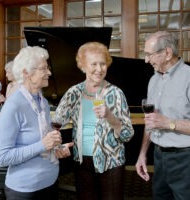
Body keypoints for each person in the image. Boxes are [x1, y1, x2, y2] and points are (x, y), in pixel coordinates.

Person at [135, 31, 190, 200]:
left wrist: (169, 123)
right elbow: (152, 121)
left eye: (149, 54)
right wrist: (143, 154)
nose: (146, 60)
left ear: (167, 53)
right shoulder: (153, 80)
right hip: (160, 159)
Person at [54, 42, 134, 200]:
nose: (99, 69)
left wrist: (110, 116)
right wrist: (57, 144)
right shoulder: (74, 93)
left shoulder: (116, 94)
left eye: (103, 64)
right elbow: (56, 122)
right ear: (83, 66)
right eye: (94, 64)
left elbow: (127, 135)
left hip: (111, 162)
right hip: (82, 161)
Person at [0, 46, 73, 200]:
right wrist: (42, 145)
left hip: (50, 183)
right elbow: (2, 158)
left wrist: (57, 148)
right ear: (26, 73)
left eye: (48, 68)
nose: (49, 72)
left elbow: (44, 140)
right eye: (43, 68)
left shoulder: (42, 101)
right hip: (25, 191)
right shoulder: (13, 106)